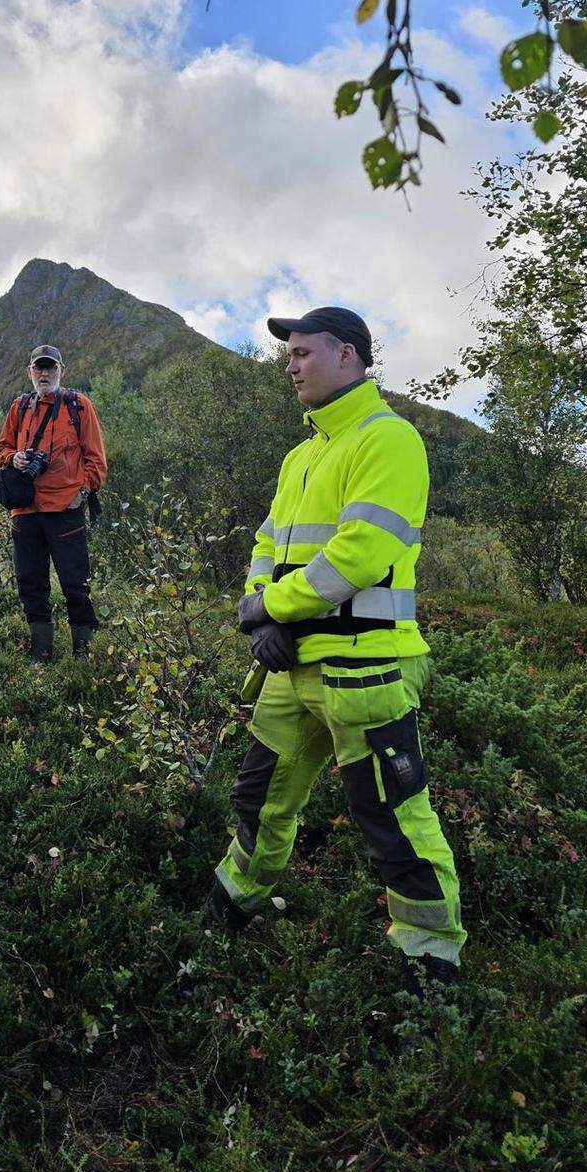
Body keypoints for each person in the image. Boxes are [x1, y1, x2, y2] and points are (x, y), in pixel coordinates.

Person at [209, 307, 466, 991]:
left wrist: (269, 608)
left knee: (394, 820)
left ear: (348, 356)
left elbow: (359, 555)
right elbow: (268, 545)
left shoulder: (389, 438)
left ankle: (431, 965)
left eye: (302, 353)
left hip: (367, 666)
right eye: (287, 355)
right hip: (290, 667)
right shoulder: (302, 454)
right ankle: (233, 905)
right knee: (259, 799)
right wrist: (263, 612)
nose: (289, 366)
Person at [0, 345, 108, 662]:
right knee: (31, 584)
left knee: (76, 585)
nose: (44, 373)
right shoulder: (19, 407)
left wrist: (81, 493)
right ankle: (40, 653)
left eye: (50, 367)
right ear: (29, 371)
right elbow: (3, 447)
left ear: (62, 370)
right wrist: (13, 458)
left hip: (65, 510)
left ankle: (83, 655)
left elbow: (96, 460)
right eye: (39, 368)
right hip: (26, 511)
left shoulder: (78, 406)